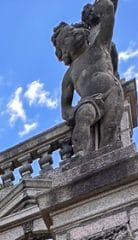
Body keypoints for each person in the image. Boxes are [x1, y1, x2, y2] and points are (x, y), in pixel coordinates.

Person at [52, 0, 124, 157]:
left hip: (112, 91)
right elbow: (65, 108)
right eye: (67, 36)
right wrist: (73, 112)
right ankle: (80, 153)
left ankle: (108, 155)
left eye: (73, 30)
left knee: (110, 128)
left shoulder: (99, 45)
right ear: (64, 52)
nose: (74, 33)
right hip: (90, 101)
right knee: (84, 116)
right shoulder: (69, 75)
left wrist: (106, 6)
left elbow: (108, 19)